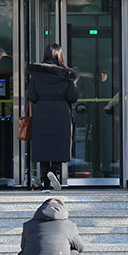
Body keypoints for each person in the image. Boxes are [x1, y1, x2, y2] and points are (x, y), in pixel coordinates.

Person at [28, 43, 79, 191]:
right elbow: (72, 96)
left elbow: (32, 95)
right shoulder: (67, 74)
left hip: (42, 110)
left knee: (43, 145)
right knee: (59, 144)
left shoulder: (37, 74)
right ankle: (53, 170)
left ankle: (45, 182)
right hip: (61, 112)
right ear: (60, 55)